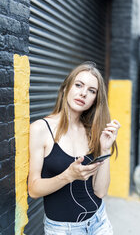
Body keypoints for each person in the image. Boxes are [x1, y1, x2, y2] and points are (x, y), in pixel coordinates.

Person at [28, 62, 120, 235]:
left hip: (99, 223)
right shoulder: (41, 129)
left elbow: (100, 191)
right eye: (78, 85)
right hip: (64, 230)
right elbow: (33, 189)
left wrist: (105, 149)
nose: (83, 93)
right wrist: (68, 176)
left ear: (95, 100)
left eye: (92, 91)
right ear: (66, 88)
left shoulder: (91, 131)